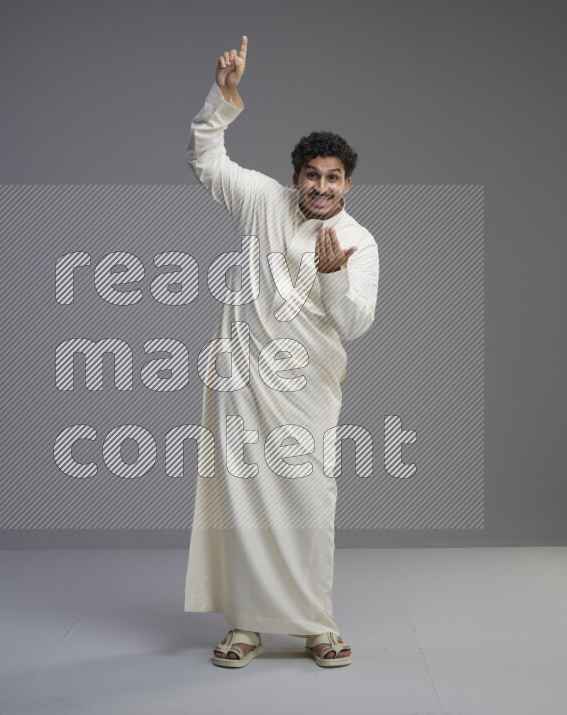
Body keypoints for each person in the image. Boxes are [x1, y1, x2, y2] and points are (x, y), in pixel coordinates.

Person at [183, 35, 379, 668]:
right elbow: (206, 160)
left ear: (347, 183)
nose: (321, 187)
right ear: (295, 177)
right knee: (241, 504)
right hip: (242, 384)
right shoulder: (263, 201)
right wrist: (226, 94)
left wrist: (330, 276)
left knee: (309, 503)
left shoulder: (357, 240)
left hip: (306, 391)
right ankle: (245, 625)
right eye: (312, 176)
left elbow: (354, 323)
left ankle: (317, 625)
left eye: (333, 178)